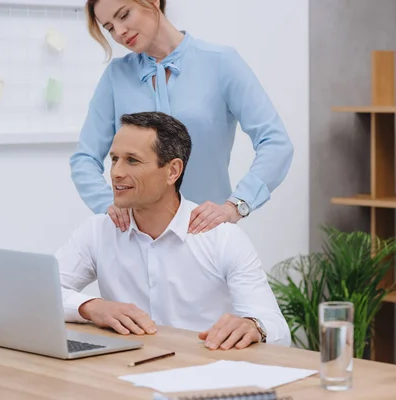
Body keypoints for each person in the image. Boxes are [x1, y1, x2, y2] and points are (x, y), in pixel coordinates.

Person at [58, 112, 290, 350]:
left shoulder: (222, 238)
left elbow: (277, 329)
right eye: (114, 159)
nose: (116, 172)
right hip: (123, 371)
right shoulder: (98, 231)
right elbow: (40, 292)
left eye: (132, 161)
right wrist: (93, 307)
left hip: (203, 374)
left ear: (172, 171)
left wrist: (254, 326)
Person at [70, 0, 294, 235]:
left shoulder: (221, 62)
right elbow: (84, 158)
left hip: (205, 237)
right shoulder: (116, 76)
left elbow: (276, 143)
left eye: (124, 15)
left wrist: (237, 205)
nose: (119, 32)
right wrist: (107, 204)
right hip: (134, 239)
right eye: (109, 27)